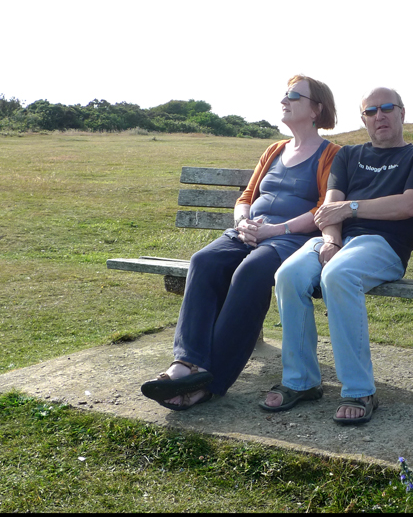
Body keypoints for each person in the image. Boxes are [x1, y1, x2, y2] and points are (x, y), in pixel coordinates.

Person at [140, 75, 341, 411]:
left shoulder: (331, 155)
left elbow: (324, 208)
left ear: (316, 109)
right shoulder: (274, 149)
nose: (284, 100)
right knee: (203, 261)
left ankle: (210, 382)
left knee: (251, 271)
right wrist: (242, 222)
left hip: (290, 239)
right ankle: (186, 363)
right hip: (248, 233)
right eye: (285, 94)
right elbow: (246, 196)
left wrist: (273, 232)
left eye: (293, 95)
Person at [259, 87, 413, 425]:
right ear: (363, 119)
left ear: (401, 113)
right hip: (340, 242)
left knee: (337, 275)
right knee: (288, 275)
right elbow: (328, 210)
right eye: (371, 111)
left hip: (383, 244)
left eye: (387, 108)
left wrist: (350, 208)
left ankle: (359, 390)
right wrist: (331, 241)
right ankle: (302, 381)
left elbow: (408, 205)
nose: (379, 116)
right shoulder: (349, 155)